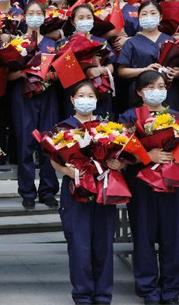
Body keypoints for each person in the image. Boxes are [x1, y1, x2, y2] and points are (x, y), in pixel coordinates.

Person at [119, 70, 179, 305]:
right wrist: (147, 156)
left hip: (172, 182)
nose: (155, 91)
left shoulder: (177, 118)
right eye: (149, 87)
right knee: (143, 236)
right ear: (140, 92)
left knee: (173, 238)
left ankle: (171, 292)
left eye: (160, 86)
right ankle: (148, 290)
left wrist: (175, 154)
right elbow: (121, 153)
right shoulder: (129, 117)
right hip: (141, 183)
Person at [52, 81, 120, 305]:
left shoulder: (107, 127)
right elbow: (54, 159)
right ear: (72, 99)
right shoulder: (63, 128)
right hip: (76, 190)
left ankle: (103, 295)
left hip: (103, 189)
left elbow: (120, 156)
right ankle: (82, 295)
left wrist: (118, 163)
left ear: (97, 99)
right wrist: (67, 171)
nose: (86, 100)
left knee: (103, 245)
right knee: (79, 245)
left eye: (90, 95)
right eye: (81, 95)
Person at [9, 1, 59, 209]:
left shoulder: (52, 43)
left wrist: (51, 74)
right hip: (23, 96)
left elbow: (62, 72)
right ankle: (27, 191)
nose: (35, 16)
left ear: (44, 17)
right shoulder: (16, 43)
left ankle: (47, 190)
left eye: (39, 13)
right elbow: (7, 76)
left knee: (48, 142)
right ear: (24, 16)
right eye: (31, 13)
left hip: (47, 95)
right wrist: (24, 72)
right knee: (25, 143)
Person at [117, 0, 179, 110]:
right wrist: (145, 70)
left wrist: (177, 73)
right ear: (138, 18)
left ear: (160, 17)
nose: (149, 17)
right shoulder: (131, 42)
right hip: (141, 92)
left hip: (167, 91)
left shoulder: (170, 40)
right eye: (144, 14)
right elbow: (121, 71)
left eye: (153, 13)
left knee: (168, 118)